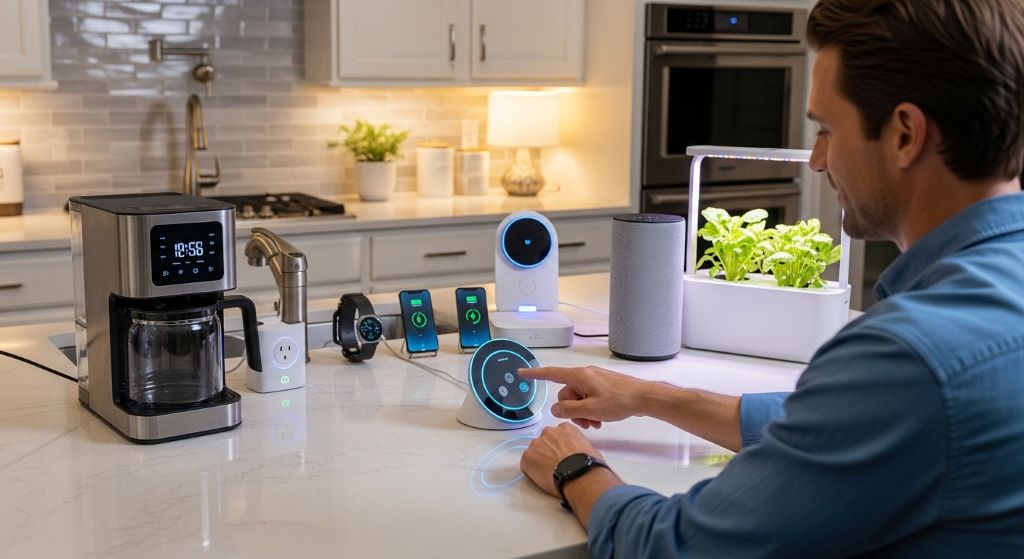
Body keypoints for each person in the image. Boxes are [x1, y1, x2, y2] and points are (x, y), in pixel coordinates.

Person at [518, 0, 1024, 556]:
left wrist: (576, 468)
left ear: (905, 134)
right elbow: (849, 426)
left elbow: (680, 548)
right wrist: (651, 396)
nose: (816, 160)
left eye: (828, 129)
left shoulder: (910, 353)